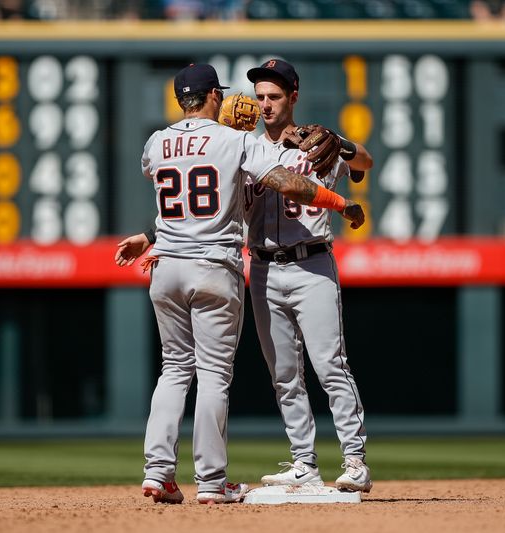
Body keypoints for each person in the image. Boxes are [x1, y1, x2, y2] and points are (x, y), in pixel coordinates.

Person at [126, 63, 364, 505]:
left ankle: (157, 472)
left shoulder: (157, 142)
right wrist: (339, 202)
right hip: (213, 267)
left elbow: (177, 188)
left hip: (164, 267)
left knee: (174, 369)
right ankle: (212, 482)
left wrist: (150, 235)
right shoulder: (233, 141)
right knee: (214, 375)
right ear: (213, 96)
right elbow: (286, 182)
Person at [243, 59, 374, 493]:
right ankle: (304, 463)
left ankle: (355, 461)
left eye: (274, 96)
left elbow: (367, 162)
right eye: (260, 96)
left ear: (293, 96)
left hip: (312, 263)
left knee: (330, 365)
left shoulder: (317, 142)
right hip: (261, 266)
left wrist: (344, 144)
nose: (266, 104)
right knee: (283, 372)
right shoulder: (247, 150)